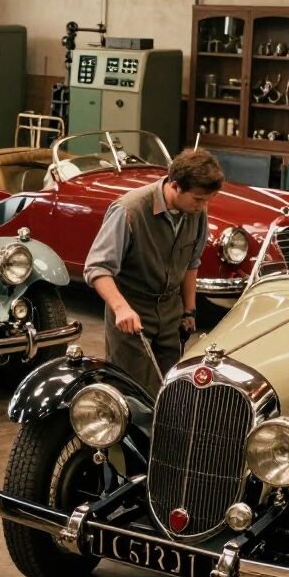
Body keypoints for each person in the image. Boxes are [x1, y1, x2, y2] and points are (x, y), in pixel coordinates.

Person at [83, 149, 223, 397]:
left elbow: (192, 263)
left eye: (207, 200)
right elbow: (97, 268)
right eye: (198, 199)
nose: (203, 206)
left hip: (170, 312)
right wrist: (121, 309)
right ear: (175, 185)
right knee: (133, 392)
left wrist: (189, 310)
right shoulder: (130, 210)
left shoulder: (196, 213)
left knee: (170, 390)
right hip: (133, 310)